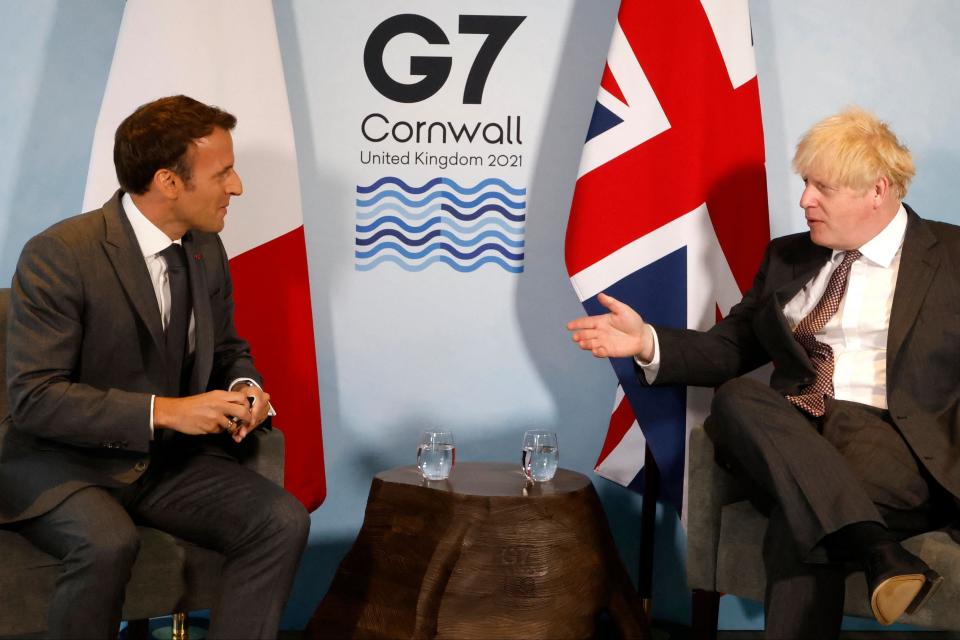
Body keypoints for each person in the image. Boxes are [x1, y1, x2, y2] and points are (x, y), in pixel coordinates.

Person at [567, 107, 960, 638]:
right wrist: (646, 341)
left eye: (822, 188)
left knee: (798, 530)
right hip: (787, 434)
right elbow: (731, 349)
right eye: (805, 184)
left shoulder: (952, 257)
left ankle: (868, 543)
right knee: (736, 397)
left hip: (890, 443)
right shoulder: (787, 258)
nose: (804, 202)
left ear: (877, 191)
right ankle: (879, 551)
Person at [0, 95, 310, 639]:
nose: (237, 187)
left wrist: (246, 387)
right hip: (60, 460)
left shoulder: (205, 249)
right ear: (169, 181)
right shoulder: (60, 254)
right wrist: (166, 412)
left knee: (280, 520)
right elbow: (35, 399)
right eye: (224, 172)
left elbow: (229, 347)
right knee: (107, 542)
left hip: (161, 464)